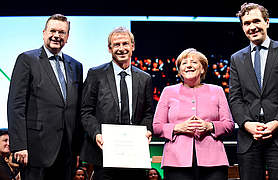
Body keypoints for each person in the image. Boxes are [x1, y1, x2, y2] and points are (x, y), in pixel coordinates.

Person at [229, 3, 278, 180]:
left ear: (267, 22)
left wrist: (277, 122)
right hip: (250, 139)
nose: (252, 27)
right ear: (242, 27)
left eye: (256, 21)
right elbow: (235, 98)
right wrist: (247, 124)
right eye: (247, 23)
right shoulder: (236, 58)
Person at [7, 14, 83, 180]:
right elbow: (16, 105)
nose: (57, 35)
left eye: (62, 32)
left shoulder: (76, 66)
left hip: (67, 152)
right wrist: (19, 145)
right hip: (36, 150)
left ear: (67, 37)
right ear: (44, 33)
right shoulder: (27, 60)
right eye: (53, 31)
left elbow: (76, 110)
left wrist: (77, 150)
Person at [80, 26, 154, 180]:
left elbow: (148, 113)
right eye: (116, 44)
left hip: (135, 156)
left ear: (132, 46)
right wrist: (96, 134)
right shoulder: (95, 74)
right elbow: (86, 112)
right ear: (109, 48)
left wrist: (147, 130)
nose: (121, 48)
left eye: (125, 44)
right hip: (104, 154)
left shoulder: (145, 78)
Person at [153, 48, 234, 180]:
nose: (189, 65)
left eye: (194, 62)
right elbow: (157, 126)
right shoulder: (168, 92)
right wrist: (179, 127)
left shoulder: (217, 91)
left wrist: (210, 126)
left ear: (202, 69)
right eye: (184, 63)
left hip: (214, 161)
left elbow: (229, 125)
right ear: (179, 71)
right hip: (176, 161)